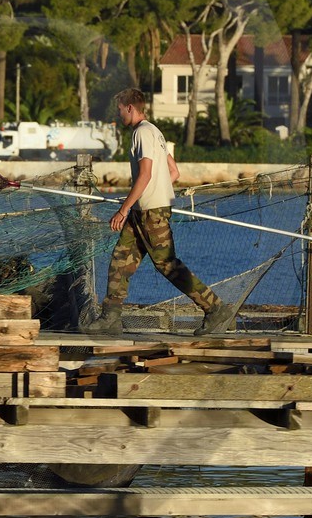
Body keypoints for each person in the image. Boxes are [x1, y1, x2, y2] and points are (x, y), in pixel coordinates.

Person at [84, 87, 234, 335]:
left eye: (120, 110)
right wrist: (151, 194)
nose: (119, 115)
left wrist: (123, 209)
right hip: (144, 209)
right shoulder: (156, 132)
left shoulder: (141, 133)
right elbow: (173, 172)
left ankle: (215, 309)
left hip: (151, 212)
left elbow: (146, 174)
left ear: (130, 107)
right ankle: (110, 318)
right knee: (121, 260)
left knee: (167, 264)